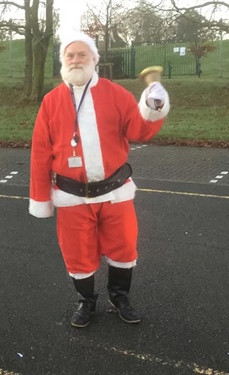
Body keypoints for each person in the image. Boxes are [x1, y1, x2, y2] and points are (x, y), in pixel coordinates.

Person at [29, 33, 170, 328]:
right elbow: (41, 151)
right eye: (70, 56)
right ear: (63, 62)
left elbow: (139, 131)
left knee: (124, 248)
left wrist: (153, 105)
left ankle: (119, 297)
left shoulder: (116, 93)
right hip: (71, 196)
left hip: (115, 192)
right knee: (77, 253)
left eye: (82, 54)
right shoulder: (51, 101)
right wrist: (41, 198)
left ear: (94, 59)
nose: (76, 60)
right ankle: (86, 301)